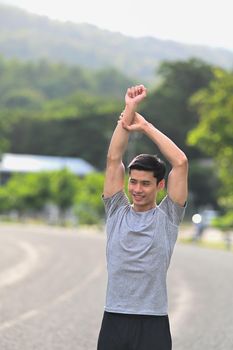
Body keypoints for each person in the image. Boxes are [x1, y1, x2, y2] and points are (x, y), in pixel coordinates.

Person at [97, 85, 188, 350]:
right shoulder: (116, 210)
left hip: (153, 323)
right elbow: (114, 158)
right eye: (133, 182)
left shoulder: (168, 217)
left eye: (145, 184)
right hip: (114, 317)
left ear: (160, 185)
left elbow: (180, 162)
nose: (136, 189)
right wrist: (129, 109)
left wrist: (145, 126)